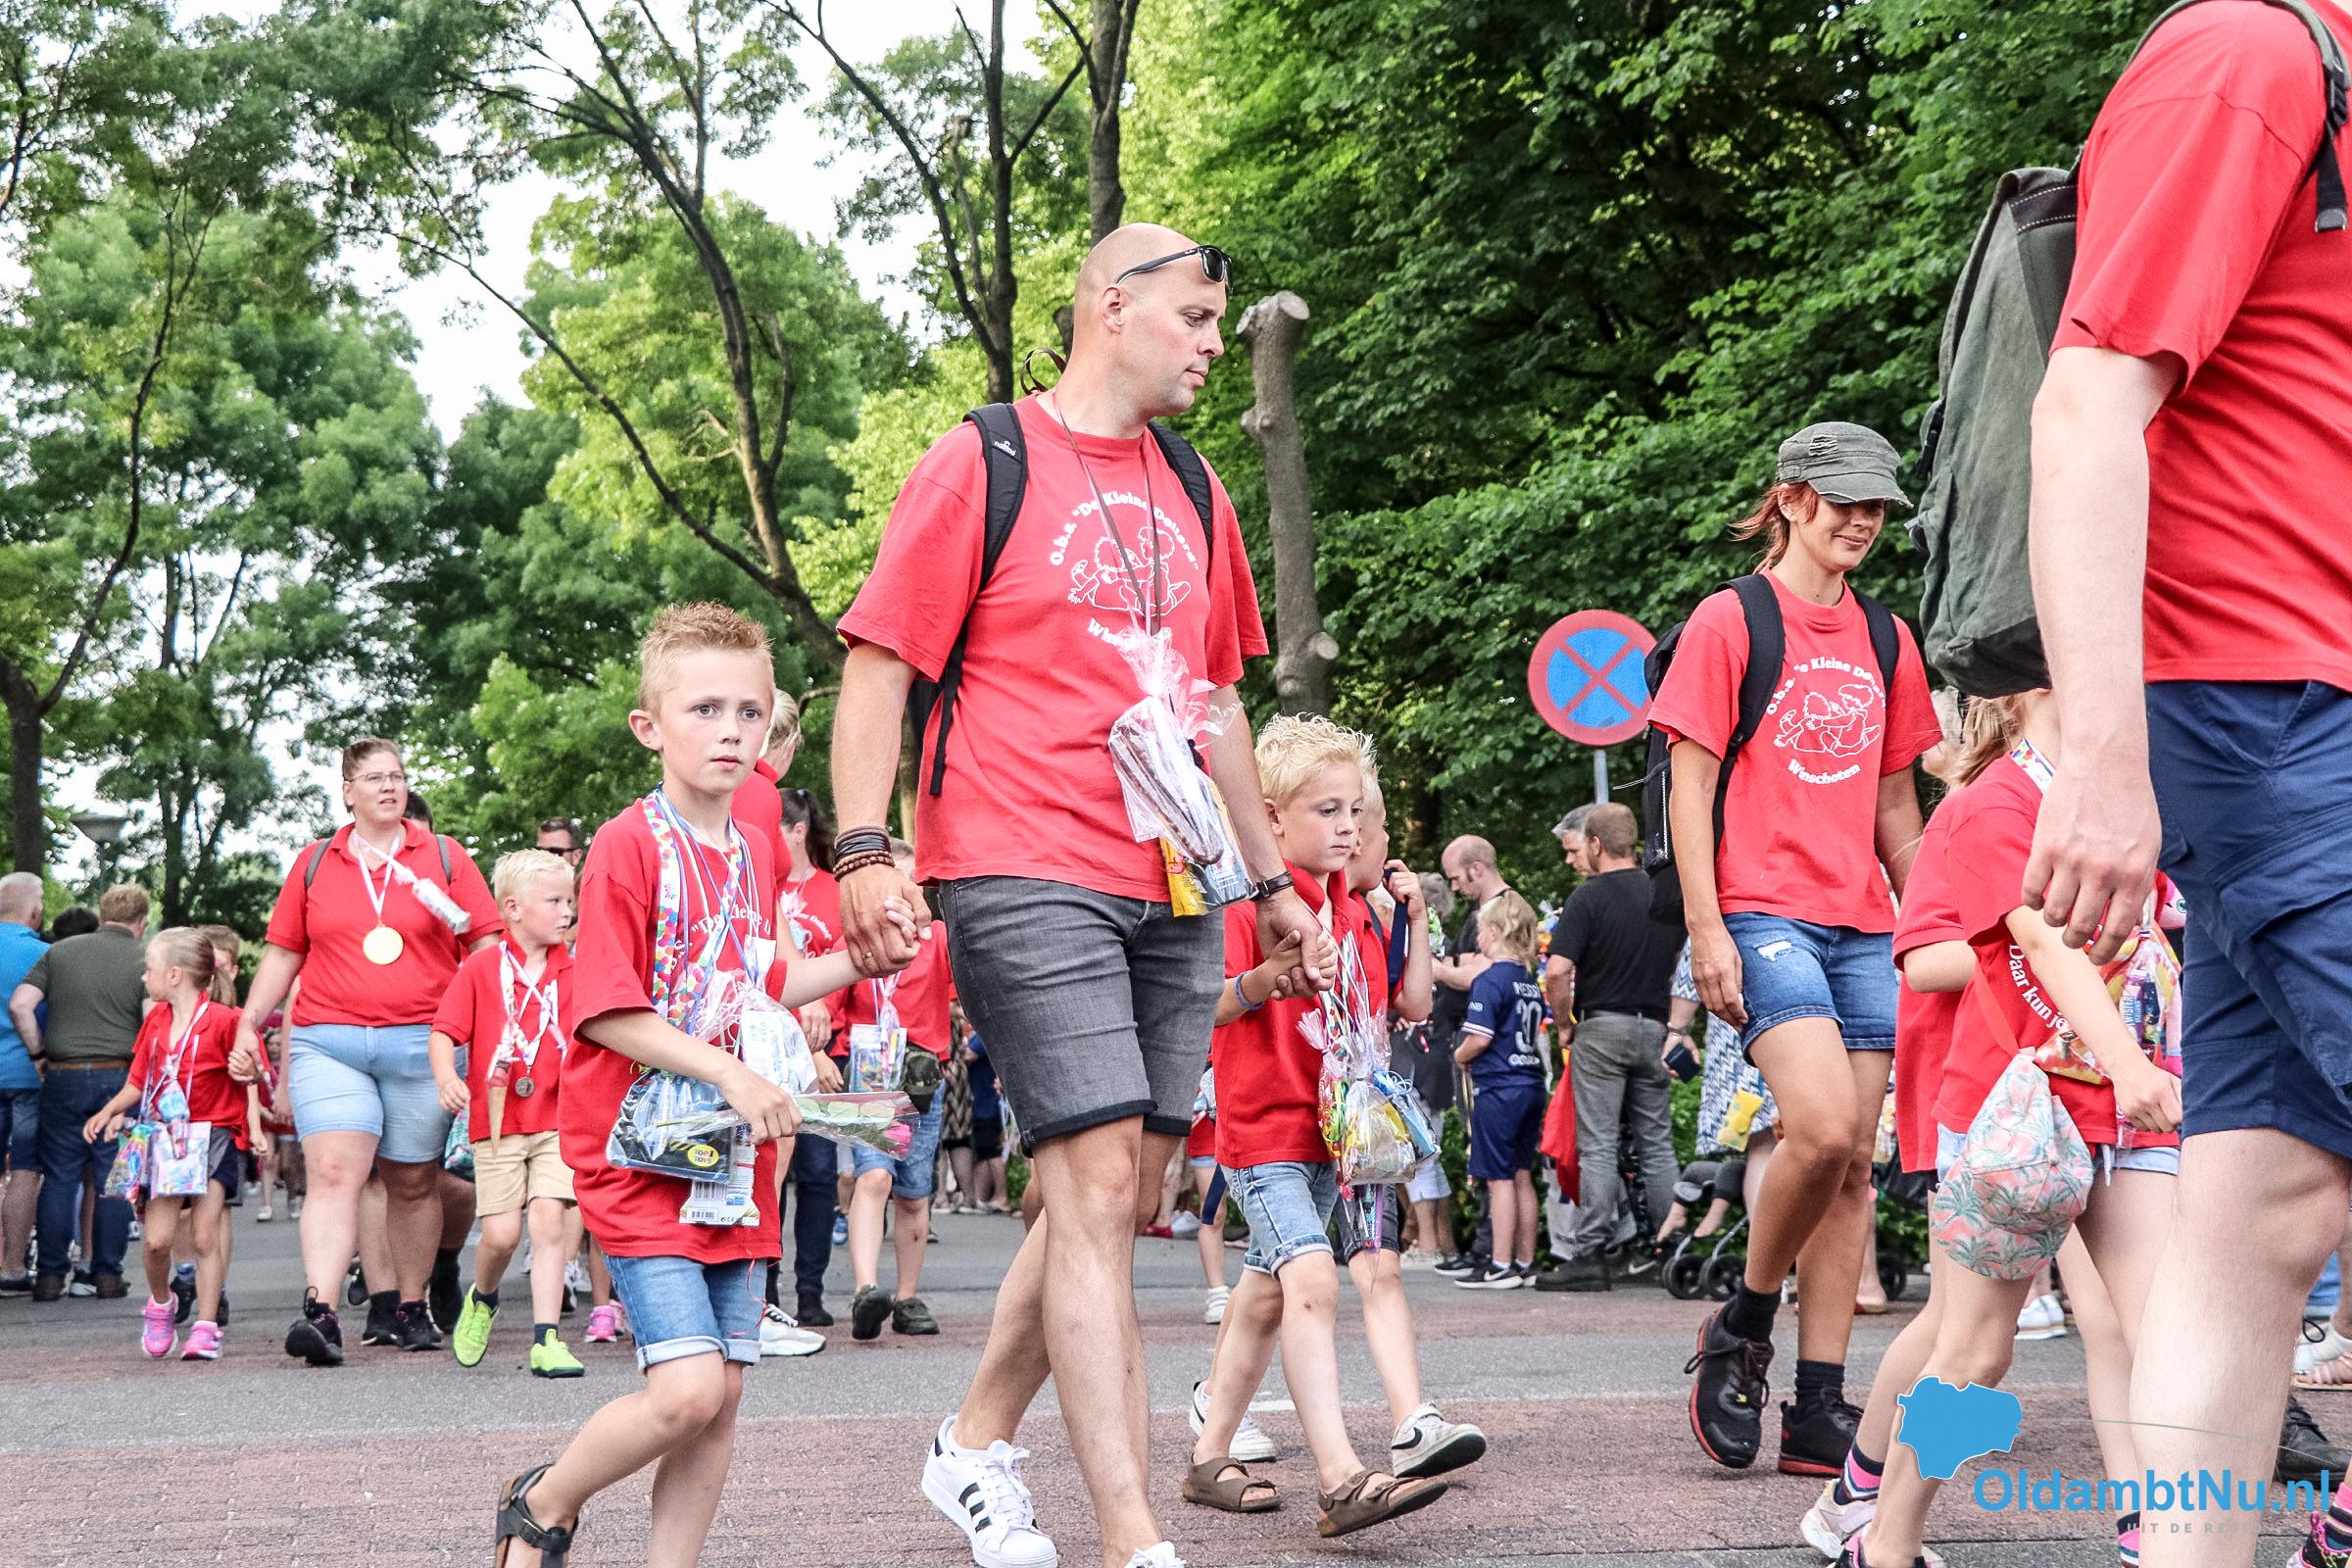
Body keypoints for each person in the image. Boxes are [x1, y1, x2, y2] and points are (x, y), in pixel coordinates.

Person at [832, 222, 1319, 1568]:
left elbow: (1215, 699)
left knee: (1125, 1190)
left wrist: (1271, 879)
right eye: (1195, 319)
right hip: (1018, 857)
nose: (1215, 345)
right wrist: (865, 847)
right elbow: (880, 663)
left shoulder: (1195, 482)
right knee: (1096, 1182)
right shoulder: (983, 458)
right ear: (1112, 306)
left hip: (1177, 873)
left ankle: (973, 1443)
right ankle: (1131, 1536)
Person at [2017, 9, 2352, 1566]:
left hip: (2303, 717)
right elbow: (2085, 402)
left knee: (2260, 1219)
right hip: (2272, 708)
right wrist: (2099, 760)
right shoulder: (2250, 57)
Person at [490, 602, 882, 1566]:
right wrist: (730, 1071)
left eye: (749, 713)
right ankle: (542, 1501)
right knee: (687, 1390)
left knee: (722, 1396)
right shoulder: (627, 844)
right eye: (704, 710)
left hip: (727, 1158)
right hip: (636, 1156)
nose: (730, 732)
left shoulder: (756, 846)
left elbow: (759, 980)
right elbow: (604, 1009)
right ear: (650, 726)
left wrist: (865, 958)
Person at [1648, 421, 1940, 1475]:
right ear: (1791, 499)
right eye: (1845, 501)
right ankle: (1742, 1321)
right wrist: (1707, 928)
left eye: (1877, 506)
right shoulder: (1732, 618)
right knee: (1816, 1129)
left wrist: (1935, 919)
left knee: (1854, 1164)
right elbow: (1688, 787)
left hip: (1866, 921)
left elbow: (1897, 804)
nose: (1863, 520)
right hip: (1762, 910)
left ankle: (1819, 1405)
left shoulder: (1888, 638)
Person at [1845, 691, 2180, 1568]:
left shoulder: (2131, 796)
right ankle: (1886, 1537)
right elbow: (2038, 942)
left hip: (2127, 1109)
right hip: (2018, 1114)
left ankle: (2166, 1536)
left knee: (2161, 1337)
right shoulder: (1992, 802)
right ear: (2028, 685)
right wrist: (2130, 1063)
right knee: (1974, 1357)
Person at [1187, 715, 1449, 1536]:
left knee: (1265, 1296)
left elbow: (1387, 1013)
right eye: (1327, 811)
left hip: (1330, 1140)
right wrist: (1267, 978)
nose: (1349, 828)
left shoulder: (1352, 906)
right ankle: (1339, 1476)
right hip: (1262, 1134)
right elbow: (1201, 1009)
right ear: (1270, 818)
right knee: (1309, 1279)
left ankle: (1208, 1458)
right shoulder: (1244, 899)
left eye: (1354, 811)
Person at [228, 738, 503, 1364]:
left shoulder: (444, 856)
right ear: (348, 792)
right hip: (331, 1041)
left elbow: (485, 947)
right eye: (374, 778)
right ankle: (321, 1313)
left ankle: (411, 1304)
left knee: (412, 1179)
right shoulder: (316, 862)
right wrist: (249, 1021)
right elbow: (284, 951)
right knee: (334, 1174)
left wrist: (491, 1027)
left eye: (397, 776)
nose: (389, 786)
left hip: (423, 1043)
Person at [1334, 762, 1486, 1481]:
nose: (1386, 841)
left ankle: (1412, 1420)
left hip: (1354, 1127)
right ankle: (1217, 1411)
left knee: (1380, 1265)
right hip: (1294, 1123)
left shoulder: (1373, 917)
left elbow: (1416, 1004)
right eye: (1381, 828)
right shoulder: (1291, 908)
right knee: (1276, 1283)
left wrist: (1416, 920)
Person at [431, 849, 586, 1378]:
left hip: (559, 1119)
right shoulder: (482, 967)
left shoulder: (576, 969)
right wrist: (447, 1077)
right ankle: (484, 1295)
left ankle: (547, 1339)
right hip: (497, 1123)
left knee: (548, 1221)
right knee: (500, 1236)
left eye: (569, 900)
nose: (567, 911)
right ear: (513, 908)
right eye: (554, 901)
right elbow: (444, 1032)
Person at [80, 928, 244, 1359]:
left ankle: (206, 1326)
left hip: (212, 1137)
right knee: (156, 1241)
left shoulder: (226, 1021)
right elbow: (139, 1078)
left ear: (174, 975)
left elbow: (248, 1074)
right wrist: (110, 1111)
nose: (143, 977)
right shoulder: (155, 1020)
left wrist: (248, 1076)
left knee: (206, 1236)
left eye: (148, 968)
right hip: (165, 1140)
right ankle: (160, 1303)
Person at [1541, 802, 1685, 1291]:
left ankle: (1589, 1255)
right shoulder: (1664, 893)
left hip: (1602, 1030)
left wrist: (1565, 1024)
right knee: (1656, 1144)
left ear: (1597, 845)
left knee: (1598, 1143)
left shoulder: (1589, 898)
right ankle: (1672, 1247)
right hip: (1656, 1029)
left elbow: (1558, 970)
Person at [11, 883, 150, 1301]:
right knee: (114, 1177)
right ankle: (106, 1274)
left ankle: (50, 1277)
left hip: (63, 1075)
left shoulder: (60, 952)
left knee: (59, 1175)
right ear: (141, 923)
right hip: (121, 1078)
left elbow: (20, 1005)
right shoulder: (145, 957)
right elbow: (152, 1018)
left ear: (103, 914)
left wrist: (39, 1053)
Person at [843, 838, 955, 1342]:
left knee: (913, 1192)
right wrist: (824, 1055)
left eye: (912, 885)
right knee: (873, 1177)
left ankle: (908, 1297)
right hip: (870, 1070)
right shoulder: (858, 937)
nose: (904, 896)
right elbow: (830, 998)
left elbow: (967, 991)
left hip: (923, 1072)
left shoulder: (939, 938)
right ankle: (866, 1289)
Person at [776, 784, 850, 1332]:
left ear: (797, 831)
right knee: (766, 1172)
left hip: (831, 1051)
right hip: (768, 1051)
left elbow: (849, 971)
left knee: (819, 1174)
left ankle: (810, 1291)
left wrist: (821, 1047)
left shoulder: (836, 891)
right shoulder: (758, 888)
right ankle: (764, 1290)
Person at [1451, 891, 1548, 1288]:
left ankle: (1500, 1263)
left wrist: (1459, 1055)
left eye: (1480, 931)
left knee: (1498, 1177)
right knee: (1522, 1173)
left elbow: (1480, 1038)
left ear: (1493, 932)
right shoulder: (1529, 982)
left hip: (1499, 1086)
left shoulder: (1489, 981)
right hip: (1530, 1082)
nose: (1478, 938)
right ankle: (1525, 1261)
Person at [0, 870, 47, 1292]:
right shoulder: (45, 955)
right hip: (29, 1077)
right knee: (27, 1169)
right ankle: (13, 1266)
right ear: (35, 911)